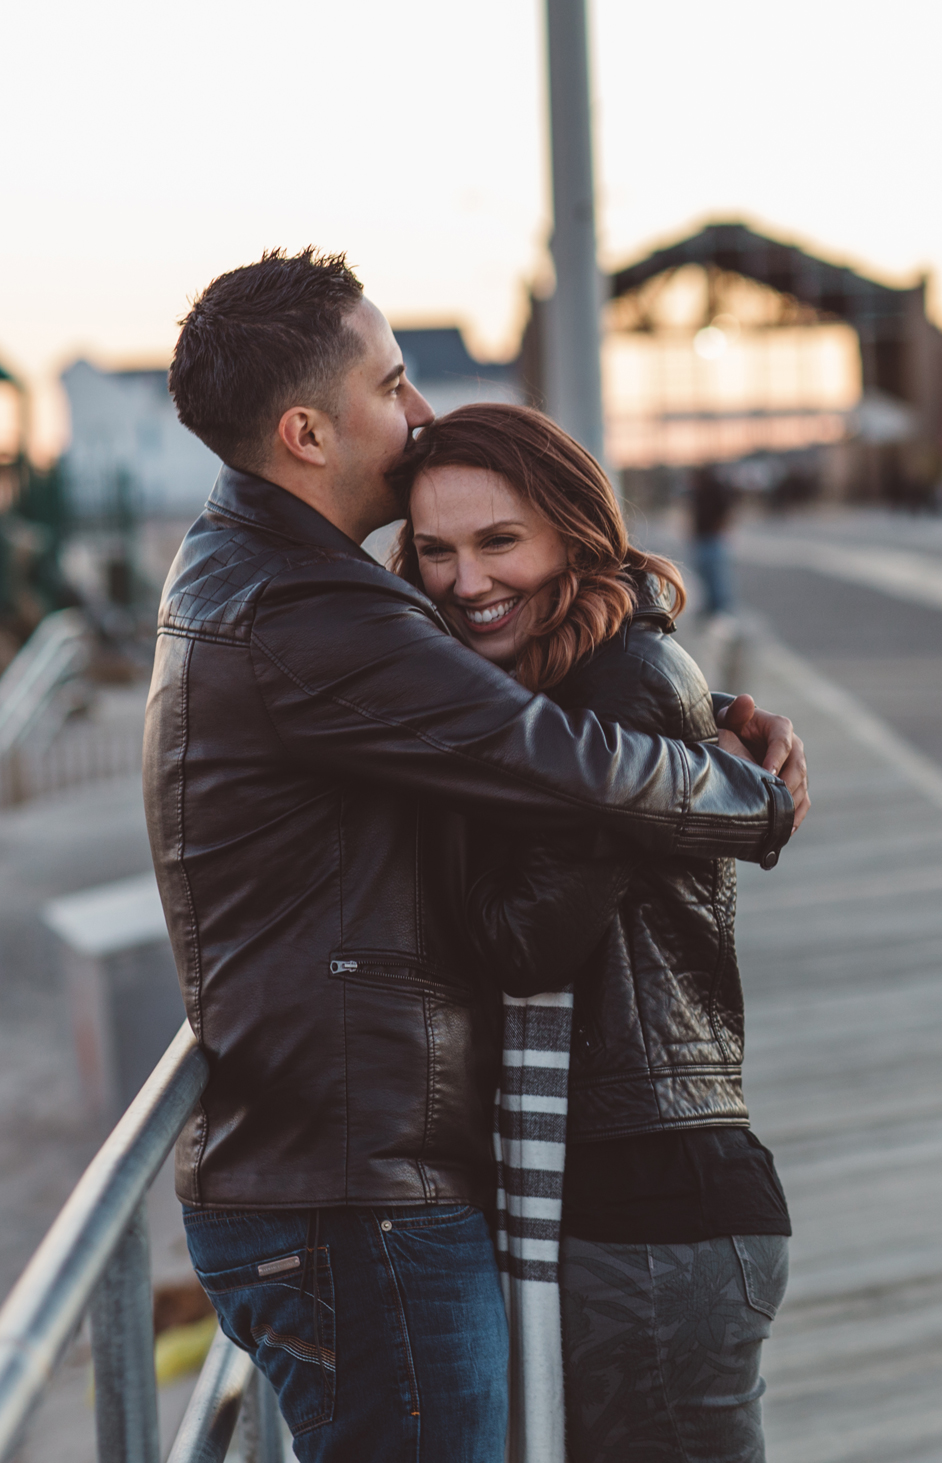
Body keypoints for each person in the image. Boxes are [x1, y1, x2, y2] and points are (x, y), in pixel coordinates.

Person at [152, 249, 809, 1463]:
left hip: (357, 1171)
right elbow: (536, 750)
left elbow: (526, 733)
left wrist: (686, 710)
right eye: (395, 383)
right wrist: (748, 799)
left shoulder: (252, 574)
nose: (417, 416)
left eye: (498, 543)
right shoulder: (305, 607)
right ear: (304, 429)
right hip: (354, 1188)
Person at [393, 404, 790, 1460]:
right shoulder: (561, 689)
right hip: (633, 1202)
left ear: (573, 532)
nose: (465, 580)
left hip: (653, 1214)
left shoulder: (611, 690)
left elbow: (524, 940)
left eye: (498, 541)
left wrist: (418, 782)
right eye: (435, 550)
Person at [687, 465, 737, 617]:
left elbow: (726, 512)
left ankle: (720, 610)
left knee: (715, 575)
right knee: (706, 575)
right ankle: (712, 607)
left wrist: (720, 529)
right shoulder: (699, 492)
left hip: (712, 538)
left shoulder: (714, 490)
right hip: (703, 537)